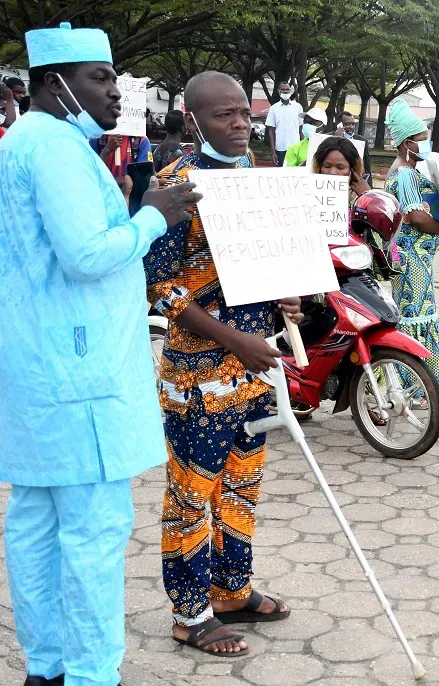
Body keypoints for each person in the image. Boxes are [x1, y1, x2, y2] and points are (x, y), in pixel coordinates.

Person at [0, 22, 200, 685]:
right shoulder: (53, 147)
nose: (117, 92)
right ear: (55, 83)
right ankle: (89, 674)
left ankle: (48, 666)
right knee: (90, 530)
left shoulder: (32, 140)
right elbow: (86, 254)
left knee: (35, 519)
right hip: (76, 371)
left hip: (41, 366)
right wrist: (153, 216)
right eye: (101, 78)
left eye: (114, 77)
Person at [144, 71, 303, 657]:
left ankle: (231, 590)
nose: (239, 125)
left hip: (256, 368)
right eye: (222, 116)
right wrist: (232, 338)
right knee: (192, 491)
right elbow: (159, 287)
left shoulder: (254, 182)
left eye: (244, 114)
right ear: (193, 120)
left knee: (241, 485)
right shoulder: (173, 186)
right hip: (198, 377)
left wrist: (286, 297)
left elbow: (266, 266)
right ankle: (190, 613)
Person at [382, 99, 439, 387]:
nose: (425, 145)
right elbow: (416, 216)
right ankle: (411, 384)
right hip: (410, 258)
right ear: (406, 143)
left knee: (415, 312)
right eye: (421, 140)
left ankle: (415, 384)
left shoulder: (407, 170)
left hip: (415, 257)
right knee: (414, 315)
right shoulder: (404, 173)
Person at [311, 134, 372, 200]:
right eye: (327, 166)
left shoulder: (361, 196)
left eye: (340, 168)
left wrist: (368, 196)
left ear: (352, 169)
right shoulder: (306, 192)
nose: (332, 173)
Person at [265, 81, 302, 166]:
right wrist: (273, 152)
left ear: (290, 91)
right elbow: (271, 131)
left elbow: (301, 129)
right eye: (283, 89)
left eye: (287, 90)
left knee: (295, 175)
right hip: (280, 148)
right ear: (279, 91)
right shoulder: (273, 109)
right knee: (281, 175)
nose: (285, 91)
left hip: (295, 147)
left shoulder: (298, 107)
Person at [338, 111, 373, 184]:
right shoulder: (331, 138)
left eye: (353, 124)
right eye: (347, 124)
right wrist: (337, 137)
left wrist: (369, 186)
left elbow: (367, 166)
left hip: (356, 181)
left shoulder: (363, 141)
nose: (351, 127)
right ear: (340, 125)